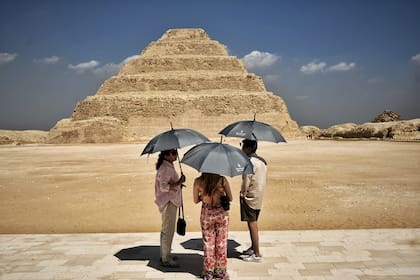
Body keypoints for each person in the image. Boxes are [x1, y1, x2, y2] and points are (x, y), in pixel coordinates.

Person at [193, 173, 233, 280]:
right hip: (221, 213)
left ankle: (208, 272)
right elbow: (230, 198)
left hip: (207, 213)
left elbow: (196, 200)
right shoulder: (222, 180)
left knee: (208, 243)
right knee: (221, 242)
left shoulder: (198, 181)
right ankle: (220, 271)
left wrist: (203, 196)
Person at [154, 149, 186, 268]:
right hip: (168, 202)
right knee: (168, 230)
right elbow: (164, 187)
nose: (176, 155)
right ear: (167, 155)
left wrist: (178, 183)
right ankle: (166, 259)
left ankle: (165, 254)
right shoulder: (166, 168)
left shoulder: (168, 166)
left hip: (169, 201)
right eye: (174, 153)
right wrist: (178, 182)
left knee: (167, 229)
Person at [240, 139, 267, 262]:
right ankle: (253, 247)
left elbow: (246, 181)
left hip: (250, 197)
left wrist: (242, 194)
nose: (242, 149)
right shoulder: (262, 162)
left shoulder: (249, 163)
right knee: (253, 221)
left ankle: (256, 253)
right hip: (259, 196)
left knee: (252, 224)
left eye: (243, 146)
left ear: (249, 149)